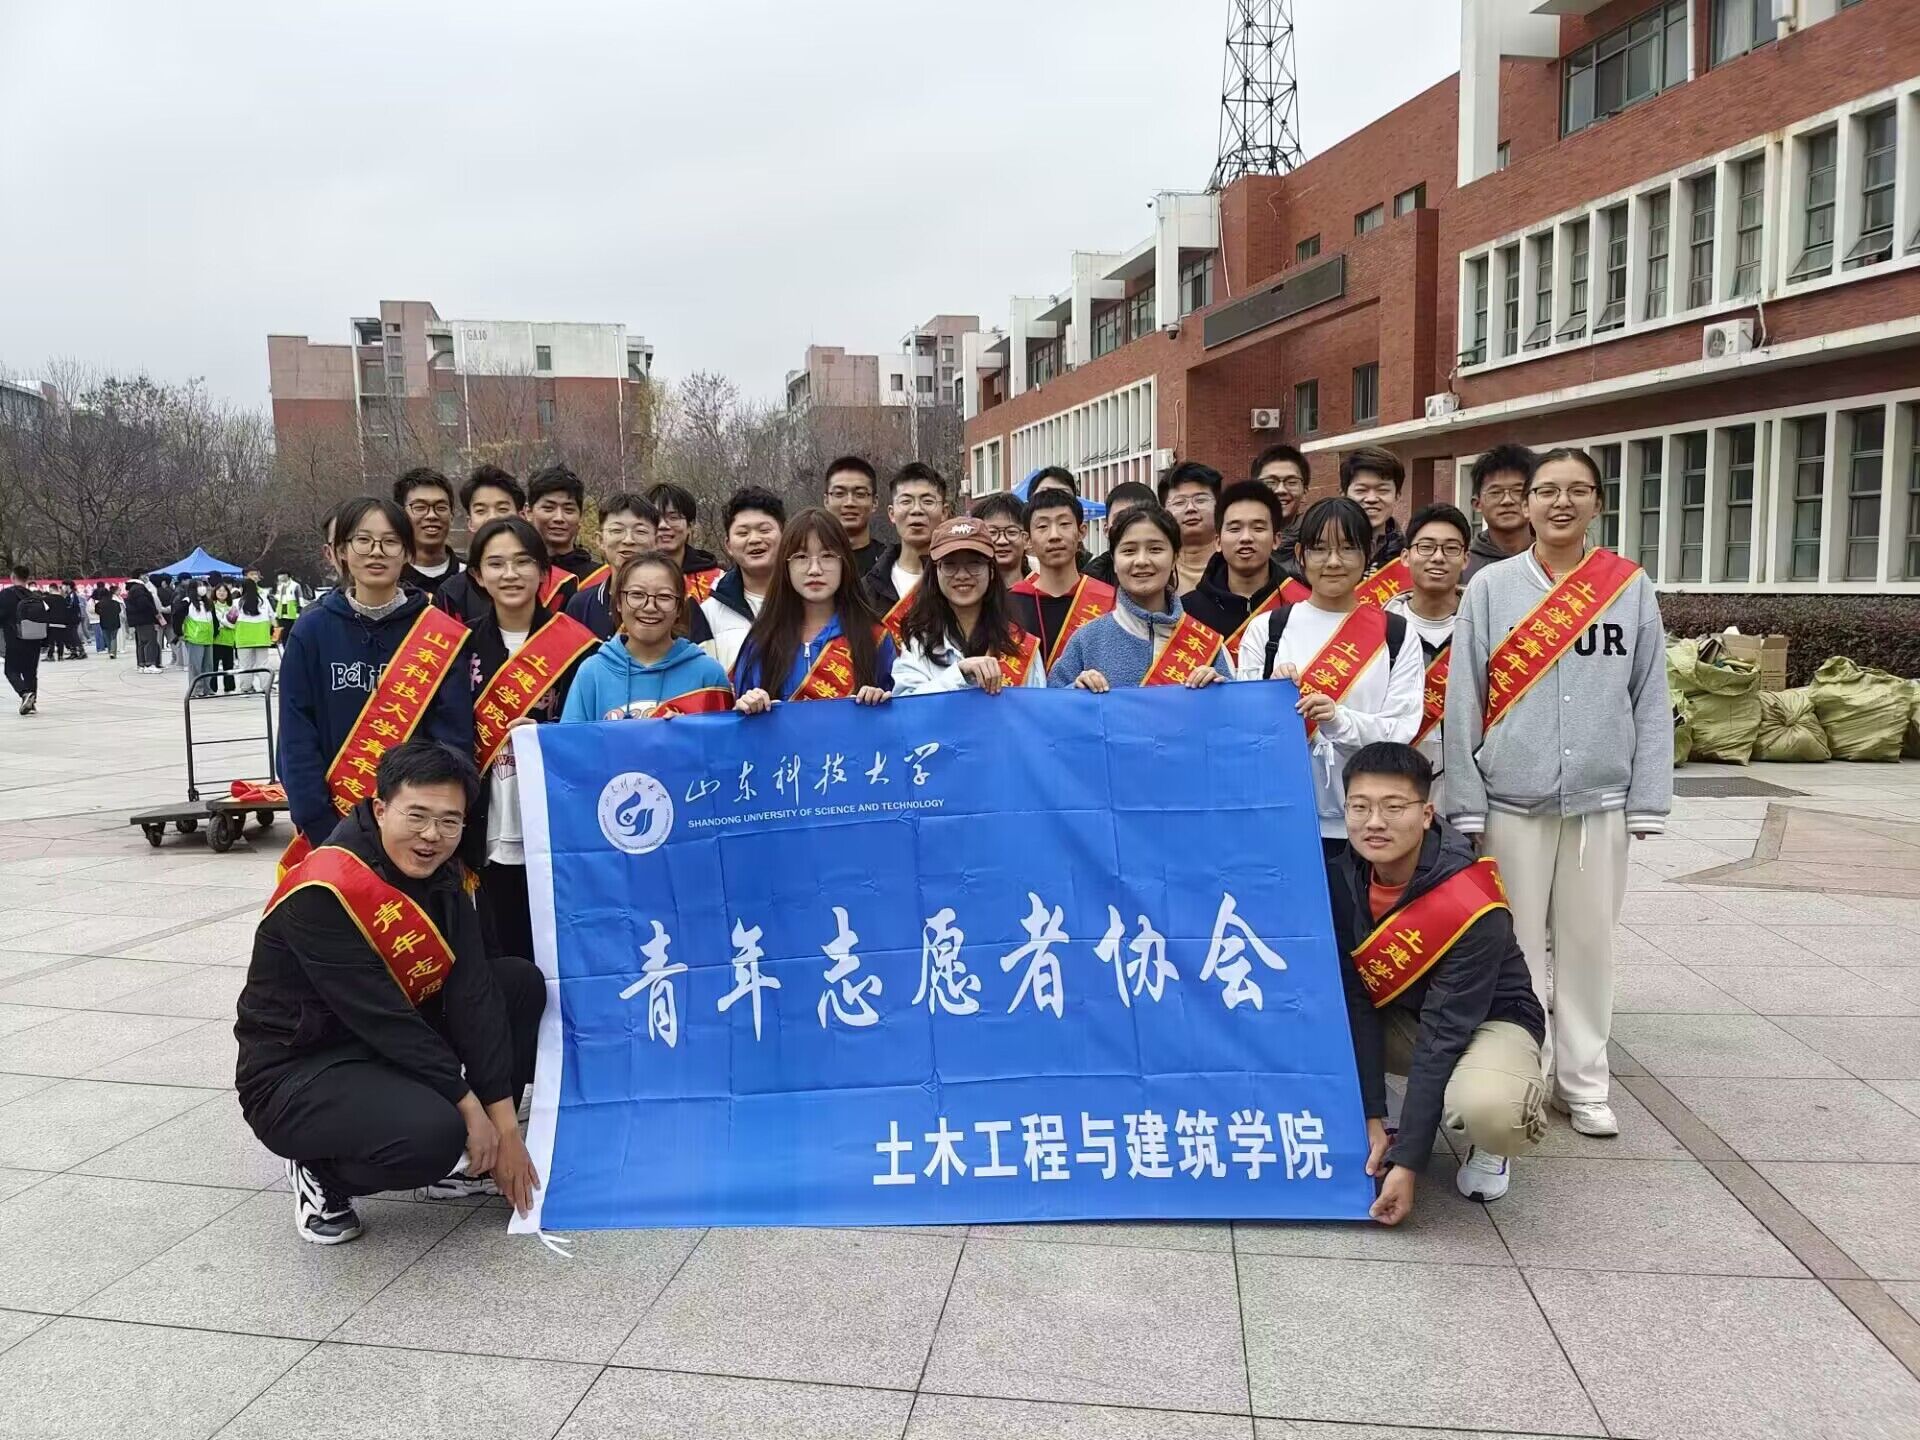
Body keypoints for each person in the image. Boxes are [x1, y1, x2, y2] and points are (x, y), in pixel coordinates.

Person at [1444, 447, 1671, 1139]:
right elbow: (1464, 697)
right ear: (1528, 502)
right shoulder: (1491, 587)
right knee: (1512, 949)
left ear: (1598, 502)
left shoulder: (1628, 587)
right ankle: (1520, 1079)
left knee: (1588, 945)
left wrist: (1648, 798)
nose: (1561, 502)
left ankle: (1584, 1083)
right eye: (1547, 490)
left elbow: (1650, 696)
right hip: (1511, 801)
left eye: (1577, 490)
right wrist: (1467, 801)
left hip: (1600, 803)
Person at [236, 741, 545, 1243]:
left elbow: (474, 993)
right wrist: (470, 1108)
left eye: (449, 821)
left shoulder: (446, 870)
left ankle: (469, 1159)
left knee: (516, 983)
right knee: (435, 1134)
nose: (431, 835)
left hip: (386, 1047)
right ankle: (320, 1171)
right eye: (416, 816)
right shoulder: (324, 889)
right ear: (380, 808)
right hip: (301, 1069)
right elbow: (382, 1018)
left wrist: (505, 1128)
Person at [1328, 743, 1546, 1216]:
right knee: (1307, 1022)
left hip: (1490, 1021)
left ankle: (1493, 1127)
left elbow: (1444, 1032)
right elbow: (1357, 1000)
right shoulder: (1345, 875)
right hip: (1407, 1015)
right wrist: (1369, 1113)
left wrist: (1408, 1162)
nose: (1374, 822)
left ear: (1426, 814)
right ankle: (1390, 1116)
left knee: (1489, 1109)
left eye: (1393, 807)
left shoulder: (1468, 897)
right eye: (1360, 807)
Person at [278, 496, 474, 875]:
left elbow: (453, 739)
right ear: (341, 551)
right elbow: (296, 736)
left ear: (407, 553)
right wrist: (320, 825)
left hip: (420, 832)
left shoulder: (436, 632)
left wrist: (430, 820)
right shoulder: (311, 630)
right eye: (363, 540)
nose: (376, 552)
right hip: (332, 828)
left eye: (390, 542)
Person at [1234, 496, 1424, 854]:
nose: (1333, 561)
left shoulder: (1396, 633)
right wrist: (1272, 698)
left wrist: (1338, 719)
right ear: (1301, 555)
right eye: (1320, 549)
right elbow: (1244, 728)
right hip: (1282, 816)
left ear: (1367, 553)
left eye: (1348, 548)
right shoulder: (1267, 630)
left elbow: (1400, 729)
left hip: (1368, 826)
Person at [462, 518, 598, 964]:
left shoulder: (580, 647)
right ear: (478, 575)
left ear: (543, 571)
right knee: (500, 952)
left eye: (523, 562)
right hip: (488, 823)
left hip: (557, 823)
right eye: (496, 564)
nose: (510, 574)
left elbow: (592, 736)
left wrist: (546, 738)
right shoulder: (460, 648)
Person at [1048, 504, 1229, 692]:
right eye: (1129, 551)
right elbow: (1051, 702)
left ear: (1174, 557)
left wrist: (1219, 690)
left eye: (1155, 549)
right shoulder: (1086, 640)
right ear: (1114, 562)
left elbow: (1233, 708)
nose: (1142, 561)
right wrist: (1075, 691)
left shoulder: (1205, 644)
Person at [734, 509, 894, 712]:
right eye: (801, 557)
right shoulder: (761, 641)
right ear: (785, 566)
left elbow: (897, 717)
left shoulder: (874, 637)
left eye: (827, 556)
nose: (815, 569)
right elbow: (739, 722)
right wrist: (747, 706)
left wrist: (879, 701)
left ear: (844, 562)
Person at [562, 552, 734, 722]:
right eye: (637, 595)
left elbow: (724, 738)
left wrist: (687, 733)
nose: (650, 607)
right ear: (619, 603)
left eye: (664, 597)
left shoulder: (708, 674)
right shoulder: (593, 672)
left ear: (679, 607)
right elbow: (571, 739)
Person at [894, 517, 1044, 696]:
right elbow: (905, 705)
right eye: (950, 565)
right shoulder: (918, 643)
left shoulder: (1020, 646)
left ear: (991, 570)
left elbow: (1038, 709)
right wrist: (959, 673)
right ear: (936, 572)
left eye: (974, 564)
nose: (962, 575)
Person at [1385, 503, 1470, 806]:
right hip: (1395, 783)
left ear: (1466, 558)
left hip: (1470, 786)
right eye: (1426, 547)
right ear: (1405, 557)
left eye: (1451, 548)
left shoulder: (1486, 626)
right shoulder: (1380, 629)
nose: (1438, 557)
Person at [1180, 479, 1308, 668]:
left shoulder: (1302, 603)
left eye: (1258, 528)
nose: (1246, 538)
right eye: (1234, 529)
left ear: (1276, 540)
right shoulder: (1187, 611)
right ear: (1218, 541)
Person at [1008, 488, 1114, 675]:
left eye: (1064, 524)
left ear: (1081, 532)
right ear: (1027, 540)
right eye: (1042, 526)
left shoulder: (1110, 601)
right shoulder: (1009, 605)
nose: (1054, 535)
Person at [699, 486, 788, 674]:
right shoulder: (708, 614)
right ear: (728, 546)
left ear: (785, 536)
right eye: (743, 533)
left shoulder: (809, 602)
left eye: (764, 530)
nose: (754, 539)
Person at [863, 462, 948, 639]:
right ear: (891, 513)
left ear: (944, 512)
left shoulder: (959, 580)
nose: (916, 510)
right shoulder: (868, 588)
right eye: (906, 501)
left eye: (927, 501)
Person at [436, 466, 526, 623]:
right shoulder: (452, 593)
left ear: (522, 516)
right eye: (481, 511)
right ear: (470, 523)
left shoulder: (547, 583)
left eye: (502, 509)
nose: (492, 518)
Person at [564, 491, 658, 640]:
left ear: (656, 541)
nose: (628, 540)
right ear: (600, 540)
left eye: (640, 531)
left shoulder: (671, 603)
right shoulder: (581, 605)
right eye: (617, 530)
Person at [525, 465, 595, 608]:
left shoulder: (600, 578)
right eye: (548, 508)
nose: (559, 518)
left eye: (568, 510)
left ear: (580, 516)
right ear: (528, 512)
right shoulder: (516, 573)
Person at [1464, 443, 1537, 581]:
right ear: (1477, 504)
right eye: (1495, 492)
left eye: (1518, 491)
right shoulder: (1463, 565)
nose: (1507, 501)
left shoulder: (1554, 559)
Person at [1341, 447, 1410, 592]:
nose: (1371, 499)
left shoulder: (1409, 554)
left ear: (1397, 495)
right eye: (1361, 490)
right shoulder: (1321, 550)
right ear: (1344, 494)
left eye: (1382, 490)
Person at [646, 482, 725, 600]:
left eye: (673, 518)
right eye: (655, 518)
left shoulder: (718, 581)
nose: (663, 525)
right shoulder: (627, 577)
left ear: (690, 526)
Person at [395, 468, 464, 599]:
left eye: (441, 508)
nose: (432, 515)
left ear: (452, 515)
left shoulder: (472, 576)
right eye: (420, 507)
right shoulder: (391, 580)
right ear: (400, 515)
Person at [1157, 461, 1221, 598]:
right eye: (1179, 502)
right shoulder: (1156, 568)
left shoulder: (1236, 564)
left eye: (1200, 500)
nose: (1191, 508)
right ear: (1164, 512)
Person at [1081, 479, 1155, 587]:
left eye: (1139, 517)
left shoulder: (1172, 571)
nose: (1129, 525)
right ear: (1106, 529)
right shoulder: (1090, 581)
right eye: (1120, 518)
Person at [824, 456, 885, 576]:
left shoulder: (890, 563)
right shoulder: (812, 563)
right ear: (826, 501)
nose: (849, 503)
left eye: (860, 494)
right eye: (839, 494)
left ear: (874, 502)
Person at [0, 565, 46, 714]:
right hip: (35, 638)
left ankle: (25, 693)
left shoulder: (6, 594)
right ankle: (31, 704)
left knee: (10, 670)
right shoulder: (35, 596)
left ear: (13, 577)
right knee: (30, 672)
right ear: (27, 578)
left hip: (15, 638)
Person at [222, 576, 276, 693]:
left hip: (243, 639)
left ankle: (246, 688)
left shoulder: (237, 603)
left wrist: (233, 627)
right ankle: (266, 687)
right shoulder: (264, 602)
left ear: (242, 589)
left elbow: (228, 621)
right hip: (261, 638)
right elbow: (273, 618)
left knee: (245, 665)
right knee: (263, 664)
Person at [968, 491, 1029, 590]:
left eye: (1011, 532)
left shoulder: (1042, 590)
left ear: (1026, 539)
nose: (1002, 541)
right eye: (992, 532)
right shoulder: (970, 591)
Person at [125, 573, 162, 672]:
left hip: (138, 620)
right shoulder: (139, 588)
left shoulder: (133, 588)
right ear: (140, 576)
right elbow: (144, 603)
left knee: (141, 642)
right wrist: (154, 612)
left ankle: (142, 664)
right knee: (149, 641)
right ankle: (150, 664)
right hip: (145, 618)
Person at [208, 581, 240, 694]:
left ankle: (229, 688)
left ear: (228, 593)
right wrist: (224, 622)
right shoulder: (211, 605)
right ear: (215, 592)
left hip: (228, 640)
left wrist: (222, 622)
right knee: (213, 666)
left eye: (224, 591)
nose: (221, 593)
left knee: (229, 665)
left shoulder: (232, 606)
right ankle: (212, 688)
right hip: (214, 640)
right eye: (219, 591)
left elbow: (234, 623)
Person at [272, 573, 304, 648]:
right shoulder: (279, 586)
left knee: (292, 634)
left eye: (282, 575)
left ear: (287, 576)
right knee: (283, 635)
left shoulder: (295, 585)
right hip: (281, 614)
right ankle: (285, 649)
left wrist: (299, 612)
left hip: (292, 615)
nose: (280, 577)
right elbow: (277, 599)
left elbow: (300, 599)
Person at [96, 585, 123, 660]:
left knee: (107, 637)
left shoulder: (99, 604)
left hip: (104, 622)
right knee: (113, 637)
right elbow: (119, 611)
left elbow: (97, 612)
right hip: (115, 622)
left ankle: (110, 650)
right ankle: (113, 652)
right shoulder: (116, 603)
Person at [86, 587, 103, 653]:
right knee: (98, 635)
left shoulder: (95, 600)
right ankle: (99, 648)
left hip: (99, 619)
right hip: (95, 620)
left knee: (100, 635)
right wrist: (100, 610)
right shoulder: (90, 601)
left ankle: (102, 647)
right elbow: (91, 610)